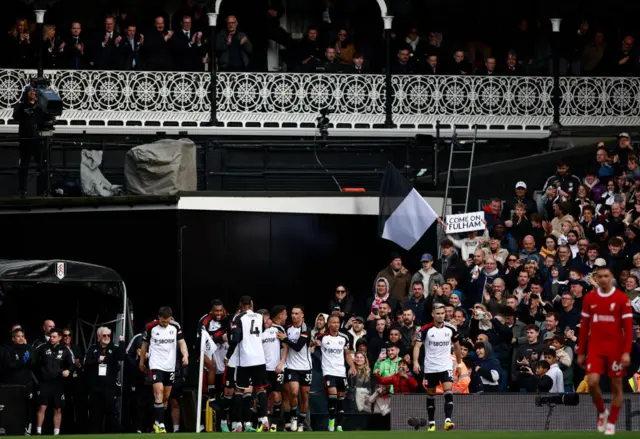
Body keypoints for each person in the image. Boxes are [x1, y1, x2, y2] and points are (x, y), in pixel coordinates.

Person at [577, 266, 633, 435]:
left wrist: (626, 351)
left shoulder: (622, 298)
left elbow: (629, 328)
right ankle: (602, 411)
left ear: (611, 277)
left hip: (615, 348)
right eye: (599, 276)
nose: (603, 279)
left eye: (606, 276)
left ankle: (612, 422)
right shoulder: (589, 298)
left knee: (616, 385)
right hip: (595, 346)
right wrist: (581, 351)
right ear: (596, 278)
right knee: (592, 382)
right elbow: (584, 326)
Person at [413, 303, 463, 431]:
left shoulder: (451, 329)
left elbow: (457, 347)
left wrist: (459, 363)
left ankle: (447, 421)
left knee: (448, 391)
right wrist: (415, 362)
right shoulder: (425, 329)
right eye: (438, 313)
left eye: (442, 313)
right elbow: (417, 346)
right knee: (431, 395)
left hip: (445, 365)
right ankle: (431, 423)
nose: (441, 316)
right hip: (430, 367)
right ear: (433, 314)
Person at [139, 307, 188, 434]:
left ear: (170, 318)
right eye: (163, 321)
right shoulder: (150, 327)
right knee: (158, 393)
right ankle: (160, 425)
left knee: (166, 397)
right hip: (156, 364)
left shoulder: (175, 326)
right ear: (159, 317)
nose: (165, 324)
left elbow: (182, 343)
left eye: (167, 321)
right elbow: (144, 346)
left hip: (170, 366)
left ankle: (156, 422)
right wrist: (141, 362)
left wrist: (185, 356)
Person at [226, 296, 270, 432]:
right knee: (261, 389)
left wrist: (228, 356)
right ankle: (264, 420)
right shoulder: (259, 317)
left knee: (239, 390)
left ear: (240, 305)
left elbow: (235, 339)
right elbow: (261, 331)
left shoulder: (238, 318)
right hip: (259, 359)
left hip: (244, 360)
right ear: (252, 304)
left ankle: (238, 424)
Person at [316, 316, 356, 432]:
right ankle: (331, 421)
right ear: (328, 324)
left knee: (341, 399)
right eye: (333, 322)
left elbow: (347, 354)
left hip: (341, 372)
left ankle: (339, 425)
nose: (336, 324)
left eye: (338, 322)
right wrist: (314, 344)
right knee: (332, 396)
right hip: (328, 371)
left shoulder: (344, 338)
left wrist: (352, 366)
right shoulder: (322, 337)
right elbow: (313, 344)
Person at [84, 327, 126, 433]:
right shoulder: (93, 348)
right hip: (95, 386)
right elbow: (87, 362)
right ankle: (94, 433)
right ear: (98, 337)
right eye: (104, 335)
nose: (107, 337)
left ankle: (111, 432)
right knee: (95, 412)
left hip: (109, 386)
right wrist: (97, 360)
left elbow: (121, 357)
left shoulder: (114, 347)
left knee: (110, 410)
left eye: (109, 335)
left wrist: (121, 342)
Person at [33, 328, 74, 435]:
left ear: (60, 338)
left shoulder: (65, 350)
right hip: (45, 382)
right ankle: (38, 431)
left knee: (58, 409)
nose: (51, 338)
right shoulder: (42, 347)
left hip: (58, 383)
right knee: (42, 406)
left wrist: (68, 370)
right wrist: (41, 372)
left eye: (54, 337)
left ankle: (56, 433)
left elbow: (72, 364)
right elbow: (33, 360)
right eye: (51, 336)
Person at [278, 305, 312, 432]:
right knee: (293, 392)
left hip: (306, 367)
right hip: (292, 366)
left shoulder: (306, 329)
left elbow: (298, 347)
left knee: (304, 396)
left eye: (297, 313)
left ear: (302, 315)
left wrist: (285, 339)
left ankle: (302, 423)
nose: (294, 316)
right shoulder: (287, 328)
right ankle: (293, 418)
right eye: (292, 313)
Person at [12, 85, 50, 197]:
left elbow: (47, 117)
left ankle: (43, 190)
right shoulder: (22, 106)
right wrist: (25, 111)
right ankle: (22, 190)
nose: (32, 92)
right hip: (25, 139)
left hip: (38, 140)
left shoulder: (40, 107)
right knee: (24, 165)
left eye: (33, 91)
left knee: (42, 165)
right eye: (30, 91)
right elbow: (16, 116)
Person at [260, 306, 288, 431]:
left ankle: (275, 424)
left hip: (276, 368)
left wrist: (281, 363)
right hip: (262, 368)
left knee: (277, 395)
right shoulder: (258, 331)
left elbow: (286, 347)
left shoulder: (278, 329)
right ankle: (261, 423)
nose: (266, 321)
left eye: (266, 319)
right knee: (261, 396)